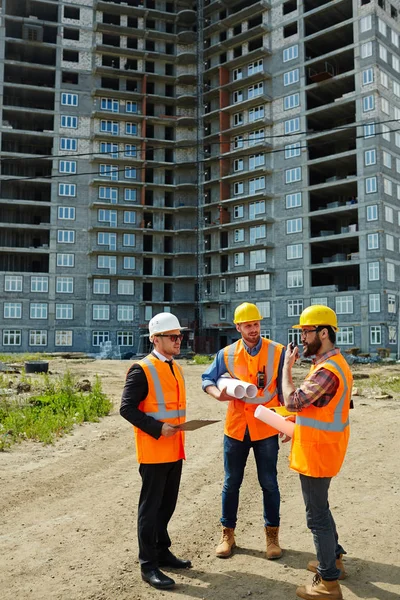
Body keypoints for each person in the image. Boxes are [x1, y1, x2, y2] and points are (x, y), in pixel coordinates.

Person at [202, 302, 285, 559]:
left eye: (256, 324)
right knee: (231, 483)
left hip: (266, 427)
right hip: (237, 428)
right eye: (248, 325)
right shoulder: (226, 354)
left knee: (269, 483)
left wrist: (286, 422)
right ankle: (228, 535)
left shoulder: (277, 352)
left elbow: (284, 389)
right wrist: (217, 395)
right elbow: (207, 379)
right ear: (238, 327)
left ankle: (272, 538)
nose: (253, 330)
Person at [282, 305, 352, 600]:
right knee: (322, 509)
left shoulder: (327, 370)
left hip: (318, 452)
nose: (302, 339)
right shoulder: (331, 364)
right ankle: (333, 559)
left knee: (317, 517)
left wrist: (286, 367)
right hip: (322, 446)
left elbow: (291, 400)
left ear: (324, 333)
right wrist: (297, 422)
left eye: (306, 332)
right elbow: (320, 407)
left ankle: (328, 582)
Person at [120, 312, 191, 590]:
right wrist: (157, 428)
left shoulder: (176, 367)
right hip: (153, 450)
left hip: (175, 450)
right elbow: (126, 409)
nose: (178, 341)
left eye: (179, 336)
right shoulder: (142, 369)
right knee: (150, 509)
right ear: (155, 339)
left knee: (167, 505)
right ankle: (148, 565)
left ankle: (162, 550)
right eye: (173, 337)